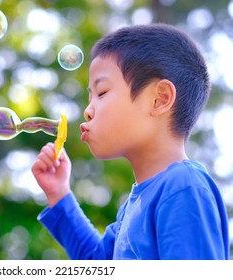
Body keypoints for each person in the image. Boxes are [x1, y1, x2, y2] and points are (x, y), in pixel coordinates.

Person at [31, 23, 230, 260]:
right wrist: (59, 193)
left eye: (102, 92)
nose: (87, 111)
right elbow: (96, 263)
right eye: (90, 97)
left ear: (159, 99)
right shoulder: (133, 207)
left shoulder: (183, 187)